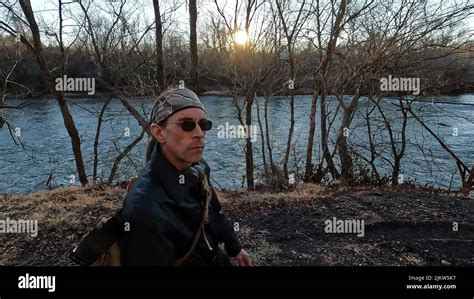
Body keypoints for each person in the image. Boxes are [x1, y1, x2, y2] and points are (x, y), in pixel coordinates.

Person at [118, 87, 252, 266]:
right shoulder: (145, 211)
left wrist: (234, 247)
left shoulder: (198, 167)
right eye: (187, 125)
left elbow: (213, 210)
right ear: (159, 133)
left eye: (204, 125)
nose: (199, 134)